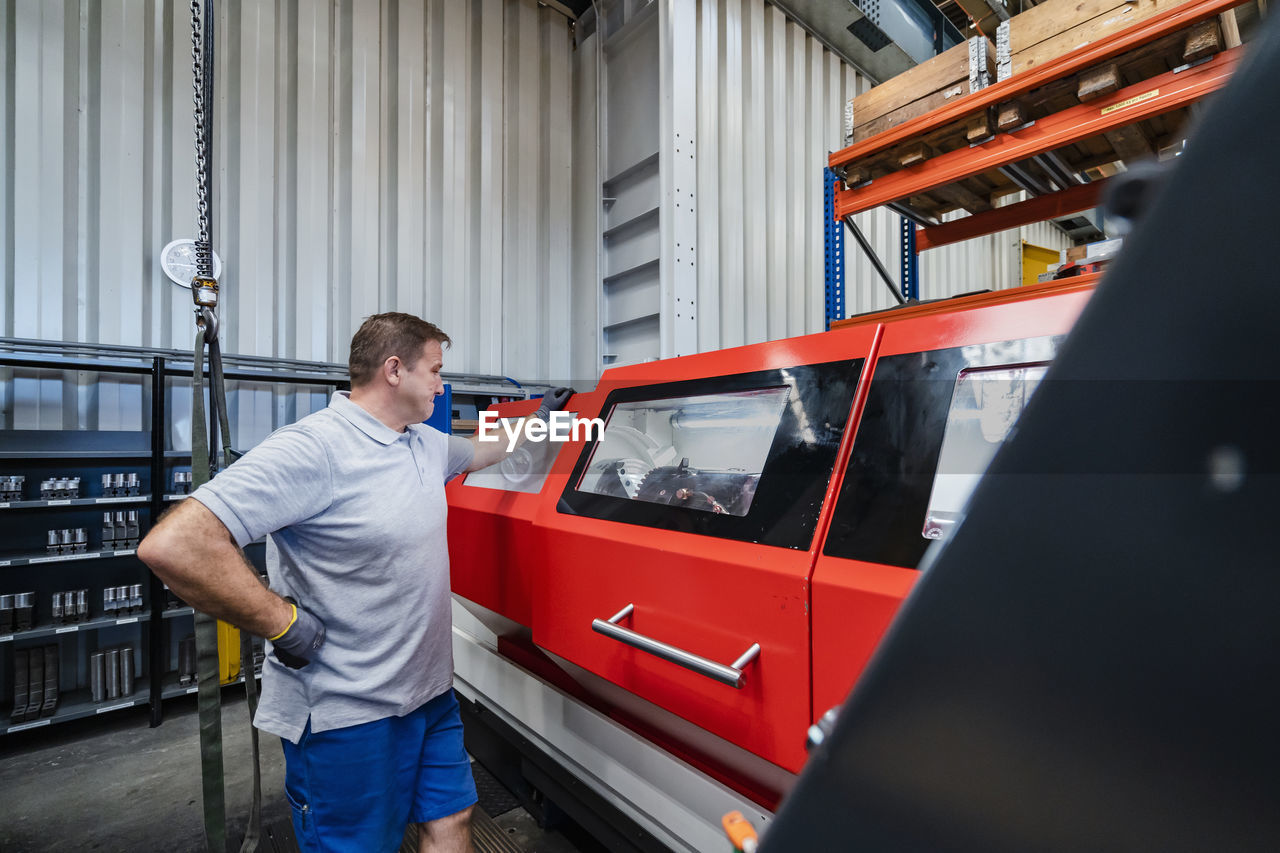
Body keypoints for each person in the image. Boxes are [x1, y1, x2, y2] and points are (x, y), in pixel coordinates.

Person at [139, 312, 572, 853]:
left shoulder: (423, 445)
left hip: (430, 695)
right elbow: (174, 544)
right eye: (435, 371)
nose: (441, 384)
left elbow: (489, 449)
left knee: (452, 821)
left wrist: (549, 418)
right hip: (348, 714)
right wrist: (281, 621)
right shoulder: (314, 448)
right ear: (395, 370)